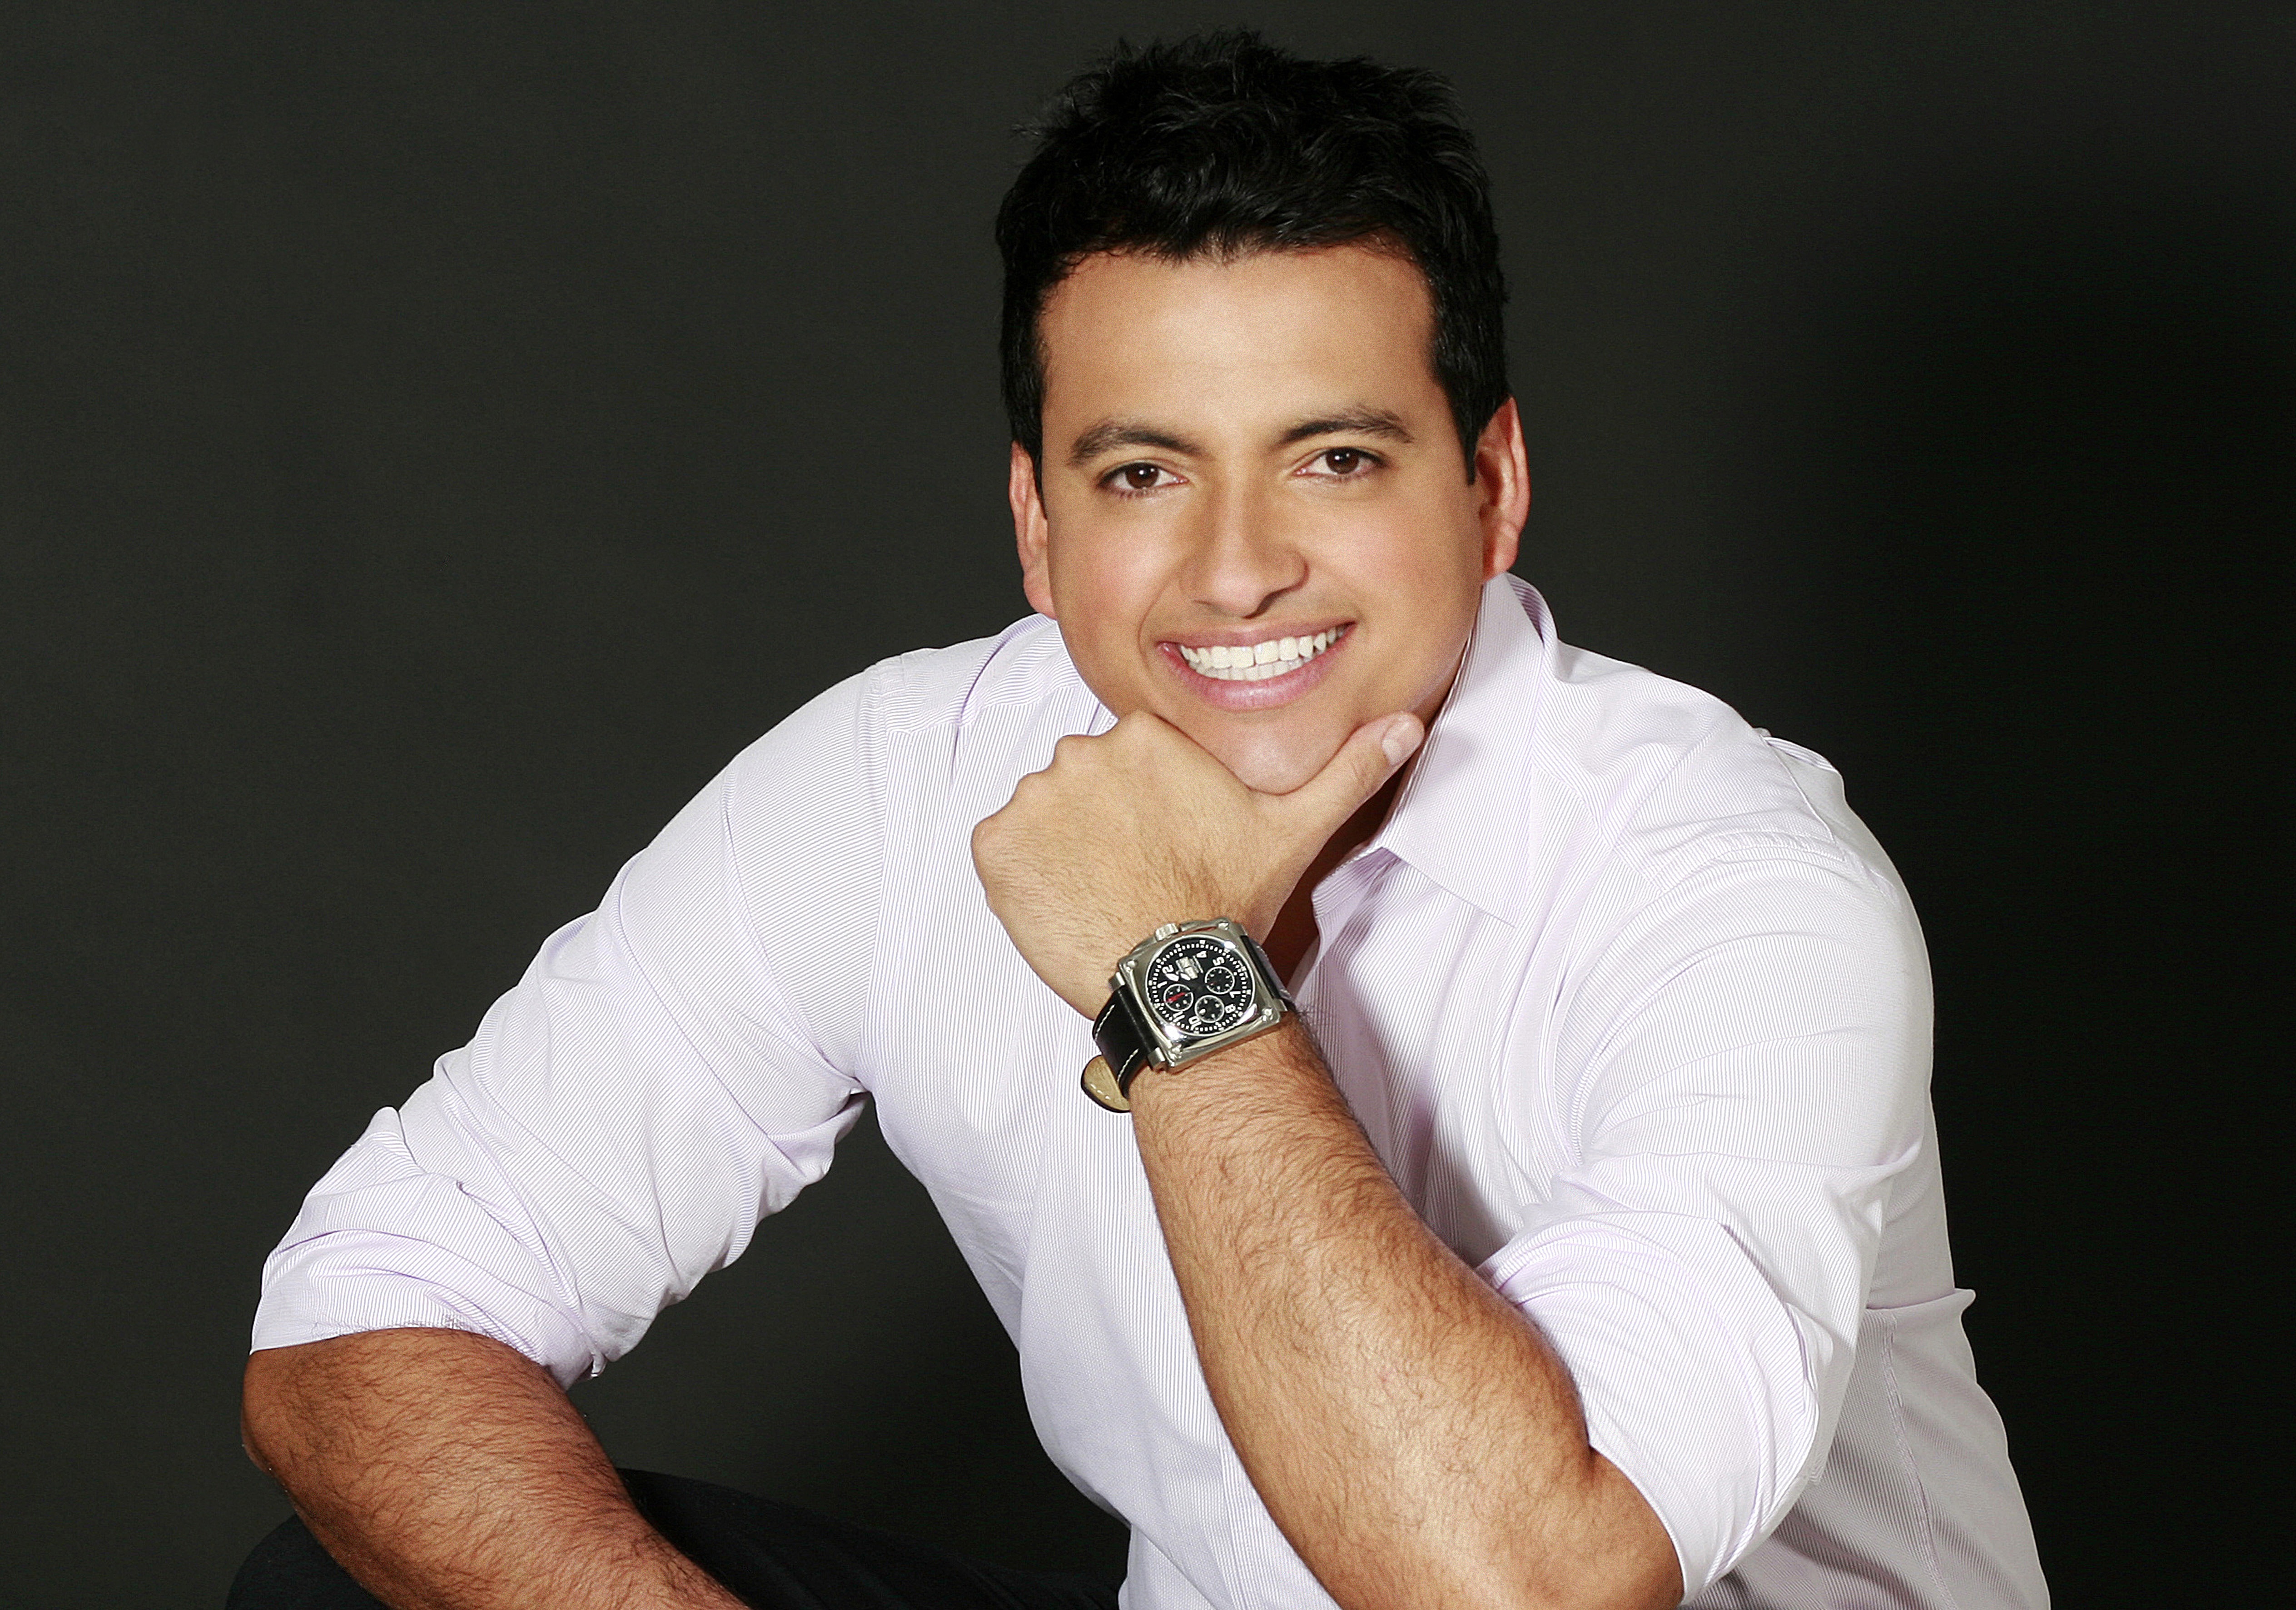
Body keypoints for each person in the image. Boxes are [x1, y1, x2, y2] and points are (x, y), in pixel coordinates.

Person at [234, 30, 2048, 1610]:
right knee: (358, 1584)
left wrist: (1173, 960)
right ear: (1038, 526)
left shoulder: (1732, 884)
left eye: (1334, 458)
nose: (1238, 569)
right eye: (1143, 472)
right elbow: (358, 1320)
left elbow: (1514, 1585)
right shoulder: (901, 784)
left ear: (1491, 485)